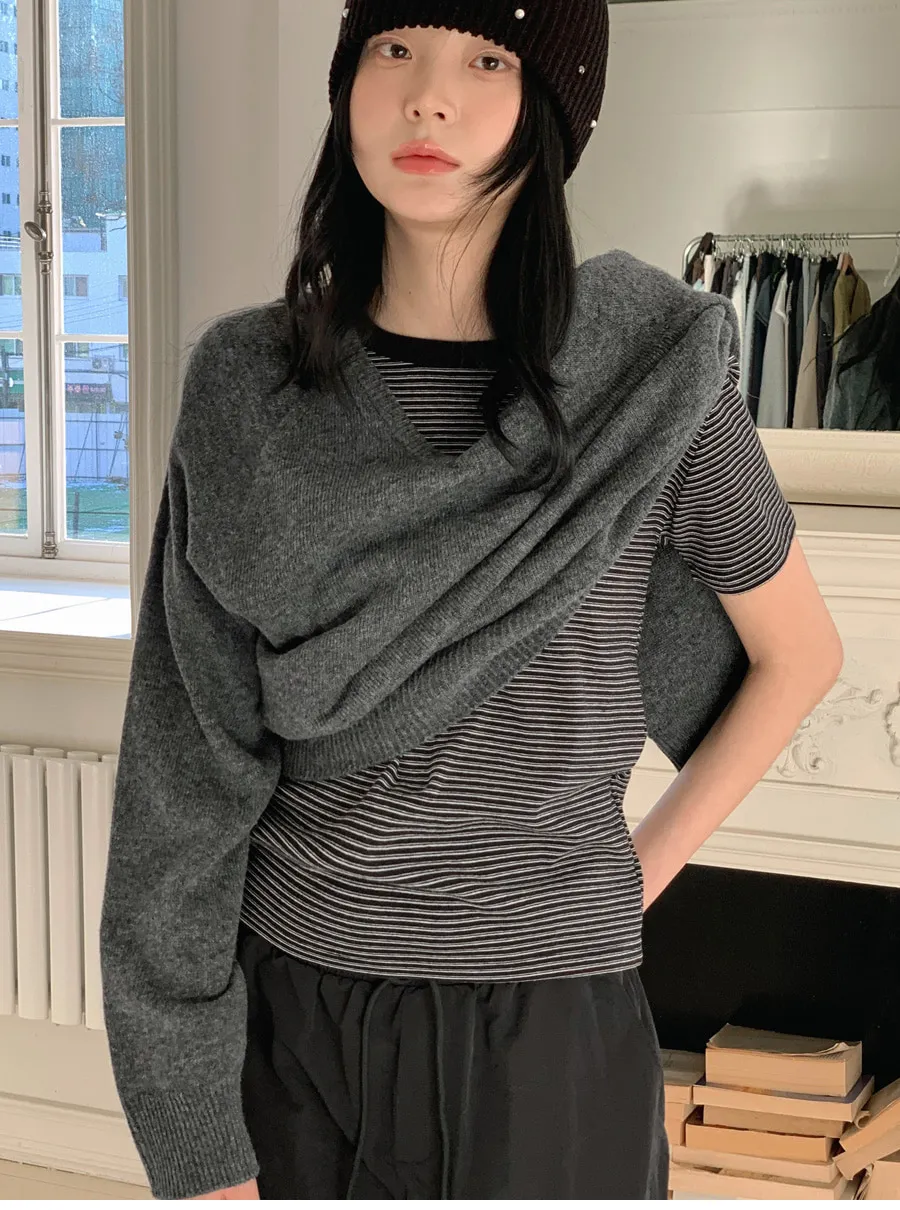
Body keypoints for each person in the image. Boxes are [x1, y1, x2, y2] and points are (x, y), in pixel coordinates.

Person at [99, 0, 845, 1201]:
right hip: (297, 1018)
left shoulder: (650, 382)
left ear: (550, 106)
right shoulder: (244, 390)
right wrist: (196, 1147)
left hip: (555, 1033)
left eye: (485, 57)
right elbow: (179, 784)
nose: (428, 96)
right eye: (394, 47)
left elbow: (801, 653)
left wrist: (635, 870)